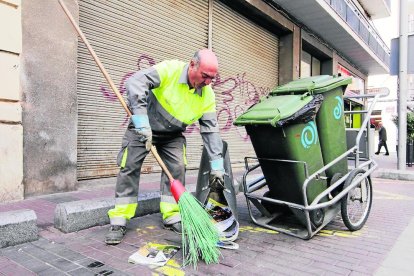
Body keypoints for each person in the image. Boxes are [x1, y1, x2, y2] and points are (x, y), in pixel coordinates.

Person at [105, 49, 227, 245]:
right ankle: (119, 220)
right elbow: (135, 82)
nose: (207, 83)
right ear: (192, 64)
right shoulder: (169, 70)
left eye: (212, 78)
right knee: (129, 168)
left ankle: (171, 216)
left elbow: (211, 132)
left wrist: (217, 167)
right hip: (143, 129)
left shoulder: (208, 95)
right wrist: (141, 122)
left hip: (172, 136)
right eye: (204, 76)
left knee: (177, 168)